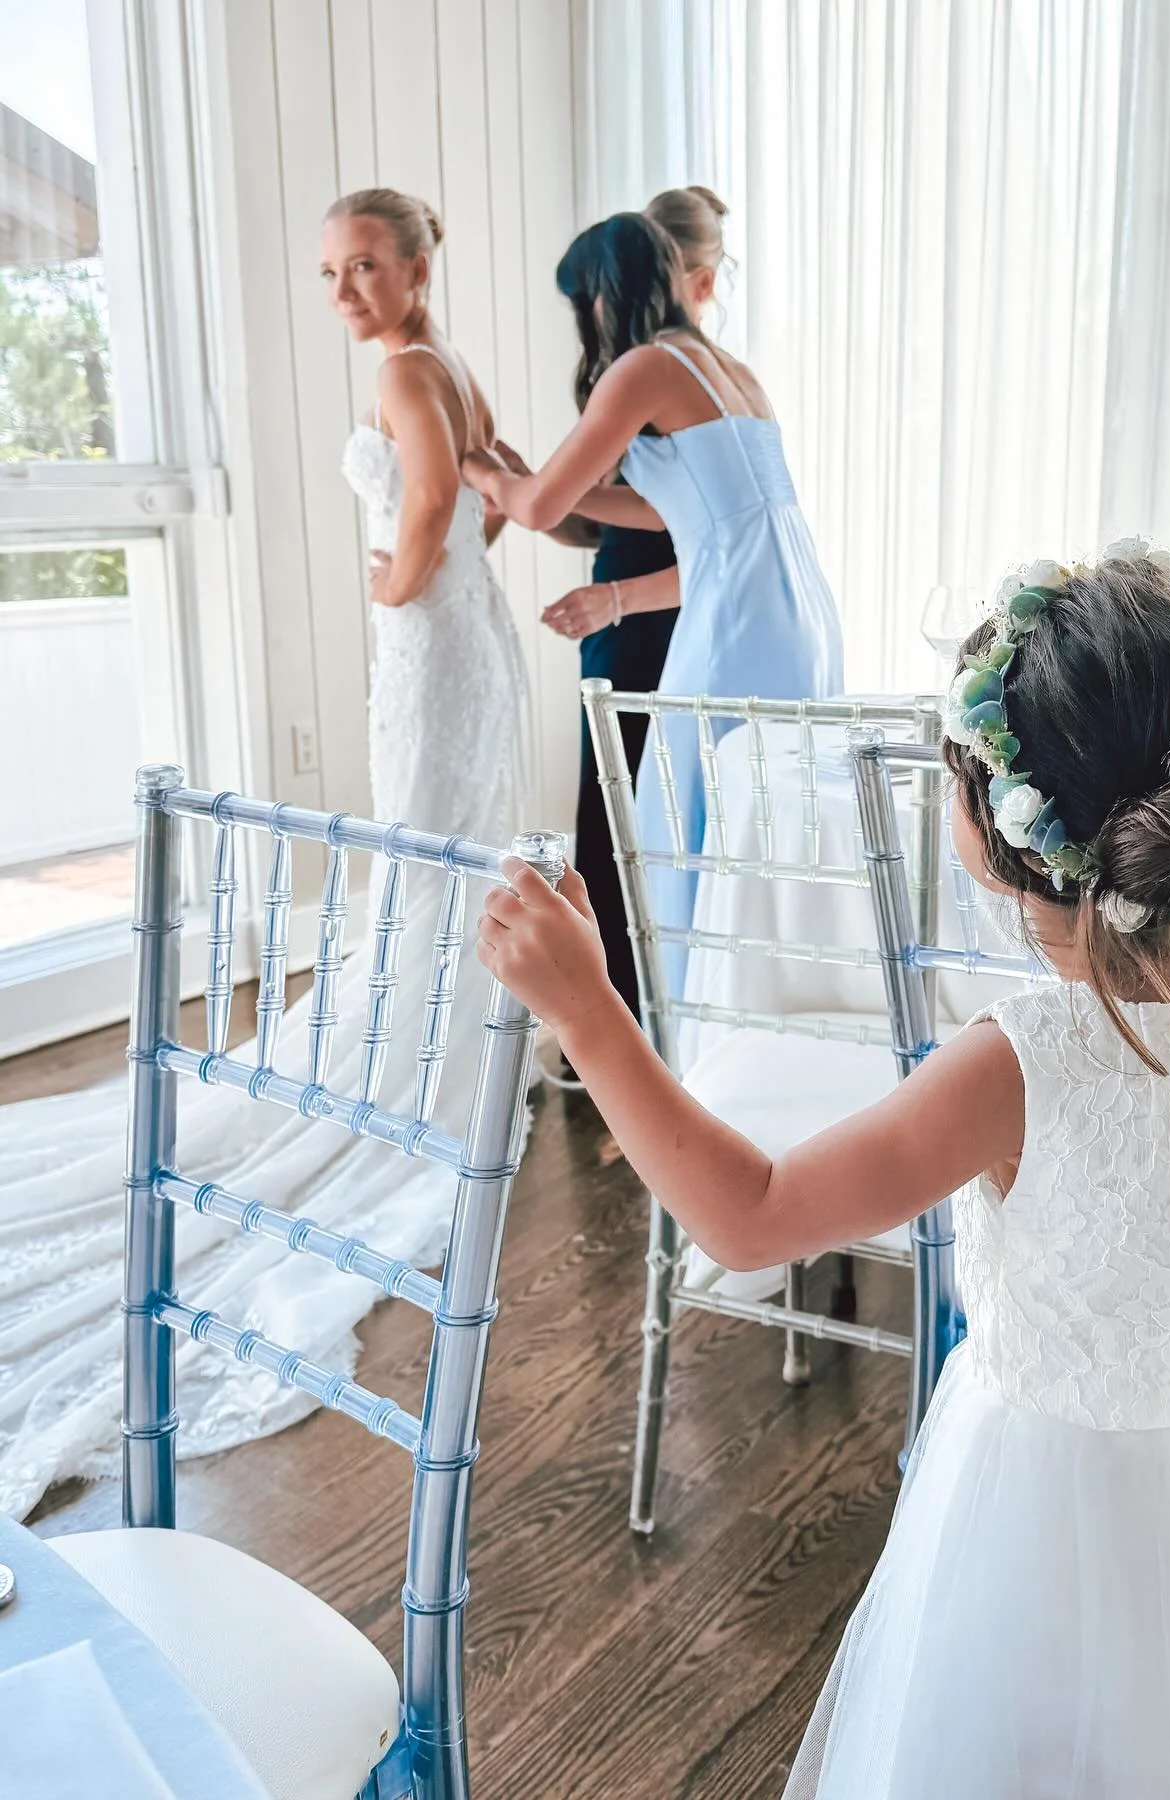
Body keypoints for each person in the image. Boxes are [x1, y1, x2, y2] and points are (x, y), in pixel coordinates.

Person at [474, 543, 1170, 1798]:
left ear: (997, 835)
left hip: (1058, 1525)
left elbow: (750, 1218)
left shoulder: (1021, 1064)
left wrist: (589, 1015)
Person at [0, 190, 531, 1520]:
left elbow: (432, 506)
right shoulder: (449, 366)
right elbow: (498, 489)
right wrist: (439, 570)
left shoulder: (406, 371)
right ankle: (440, 1045)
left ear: (416, 265)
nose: (344, 291)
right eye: (331, 272)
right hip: (466, 637)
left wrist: (394, 584)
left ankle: (410, 1059)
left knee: (424, 847)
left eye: (365, 266)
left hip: (434, 640)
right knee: (442, 847)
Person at [466, 210, 842, 994]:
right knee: (762, 817)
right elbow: (679, 509)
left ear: (601, 295)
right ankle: (755, 999)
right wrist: (548, 485)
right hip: (796, 607)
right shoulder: (727, 367)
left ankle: (684, 1016)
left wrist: (481, 469)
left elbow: (536, 508)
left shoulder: (642, 367)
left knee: (687, 814)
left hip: (732, 613)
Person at [537, 188, 732, 1028]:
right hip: (619, 622)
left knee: (645, 822)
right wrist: (541, 492)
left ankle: (634, 1022)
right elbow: (601, 514)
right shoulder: (654, 375)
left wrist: (613, 596)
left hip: (661, 623)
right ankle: (612, 1015)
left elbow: (708, 543)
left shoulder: (688, 383)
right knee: (612, 813)